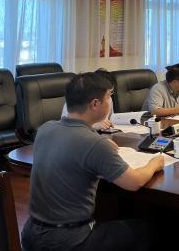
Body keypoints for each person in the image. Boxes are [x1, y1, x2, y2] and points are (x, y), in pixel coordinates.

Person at [21, 72, 164, 251]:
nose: (111, 101)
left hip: (32, 235)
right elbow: (133, 182)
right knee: (149, 230)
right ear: (95, 104)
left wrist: (100, 141)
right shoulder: (93, 143)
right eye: (109, 96)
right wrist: (154, 163)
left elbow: (72, 146)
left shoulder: (45, 129)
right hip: (70, 241)